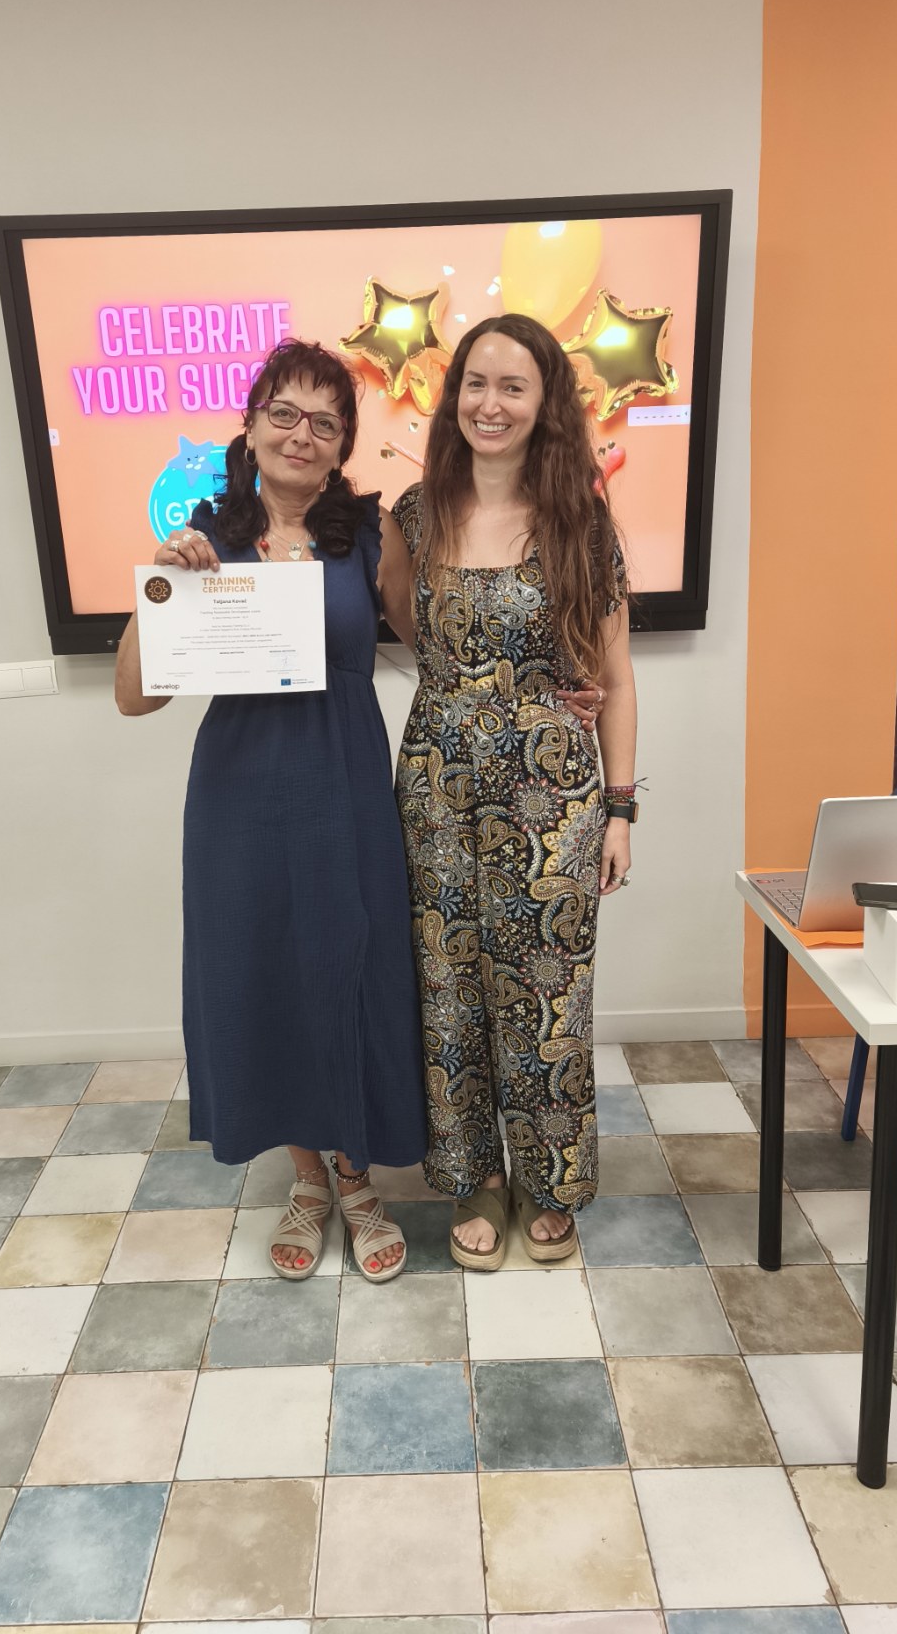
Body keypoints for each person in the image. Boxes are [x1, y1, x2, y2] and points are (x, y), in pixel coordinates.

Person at [115, 340, 425, 1283]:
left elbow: (436, 643)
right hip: (240, 791)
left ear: (342, 445)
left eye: (325, 422)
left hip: (346, 780)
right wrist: (162, 586)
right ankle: (309, 1179)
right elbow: (135, 697)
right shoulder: (206, 535)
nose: (302, 433)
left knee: (354, 965)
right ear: (249, 427)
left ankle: (359, 1178)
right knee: (267, 974)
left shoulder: (370, 533)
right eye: (283, 413)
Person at [393, 312, 637, 1270]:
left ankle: (549, 1179)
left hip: (553, 794)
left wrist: (621, 809)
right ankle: (476, 1179)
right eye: (476, 383)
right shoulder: (413, 516)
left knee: (548, 991)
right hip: (436, 785)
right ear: (454, 396)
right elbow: (414, 635)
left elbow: (615, 676)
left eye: (513, 386)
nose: (489, 404)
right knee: (448, 989)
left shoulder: (581, 521)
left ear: (545, 405)